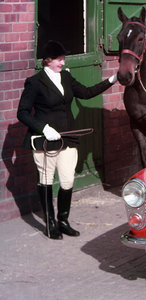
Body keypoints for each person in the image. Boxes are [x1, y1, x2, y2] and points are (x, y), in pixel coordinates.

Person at [17, 40, 117, 239]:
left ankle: (63, 220)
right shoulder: (35, 82)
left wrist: (111, 80)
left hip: (68, 138)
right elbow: (23, 112)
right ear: (48, 60)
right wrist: (43, 128)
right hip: (45, 141)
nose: (63, 63)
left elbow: (86, 93)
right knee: (45, 180)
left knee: (67, 180)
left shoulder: (66, 77)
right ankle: (50, 223)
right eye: (59, 59)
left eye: (63, 59)